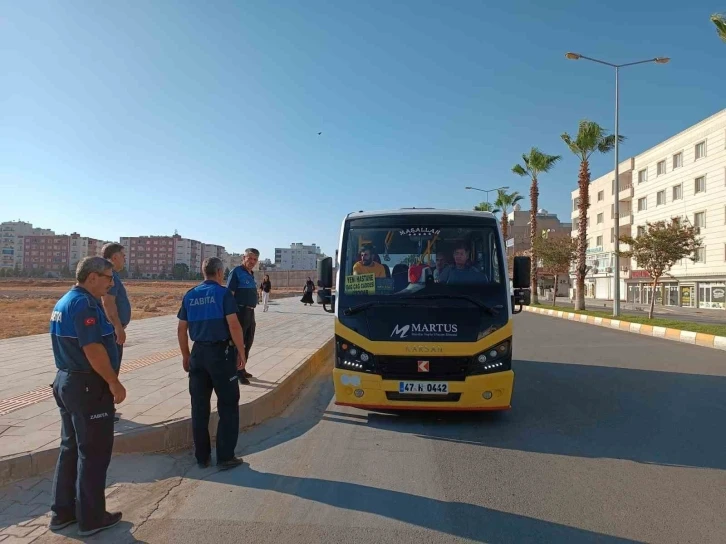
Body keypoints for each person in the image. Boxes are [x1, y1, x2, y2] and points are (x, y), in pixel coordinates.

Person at [48, 257, 126, 537]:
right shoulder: (83, 304)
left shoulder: (66, 300)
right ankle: (92, 518)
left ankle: (63, 512)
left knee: (71, 448)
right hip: (86, 387)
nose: (111, 282)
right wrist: (114, 383)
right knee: (92, 453)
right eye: (108, 277)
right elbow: (93, 349)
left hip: (68, 382)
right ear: (92, 277)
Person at [177, 257, 245, 470]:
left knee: (199, 407)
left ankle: (202, 457)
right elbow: (233, 325)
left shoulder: (190, 295)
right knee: (227, 404)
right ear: (218, 272)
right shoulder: (223, 294)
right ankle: (225, 457)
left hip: (198, 354)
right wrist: (241, 352)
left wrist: (185, 355)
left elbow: (181, 329)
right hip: (220, 355)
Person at [226, 248, 259, 384]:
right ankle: (237, 372)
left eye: (255, 259)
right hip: (240, 312)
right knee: (238, 342)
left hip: (250, 313)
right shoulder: (236, 272)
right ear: (243, 258)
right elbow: (229, 295)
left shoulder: (251, 274)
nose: (252, 261)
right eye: (249, 258)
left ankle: (242, 367)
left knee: (248, 341)